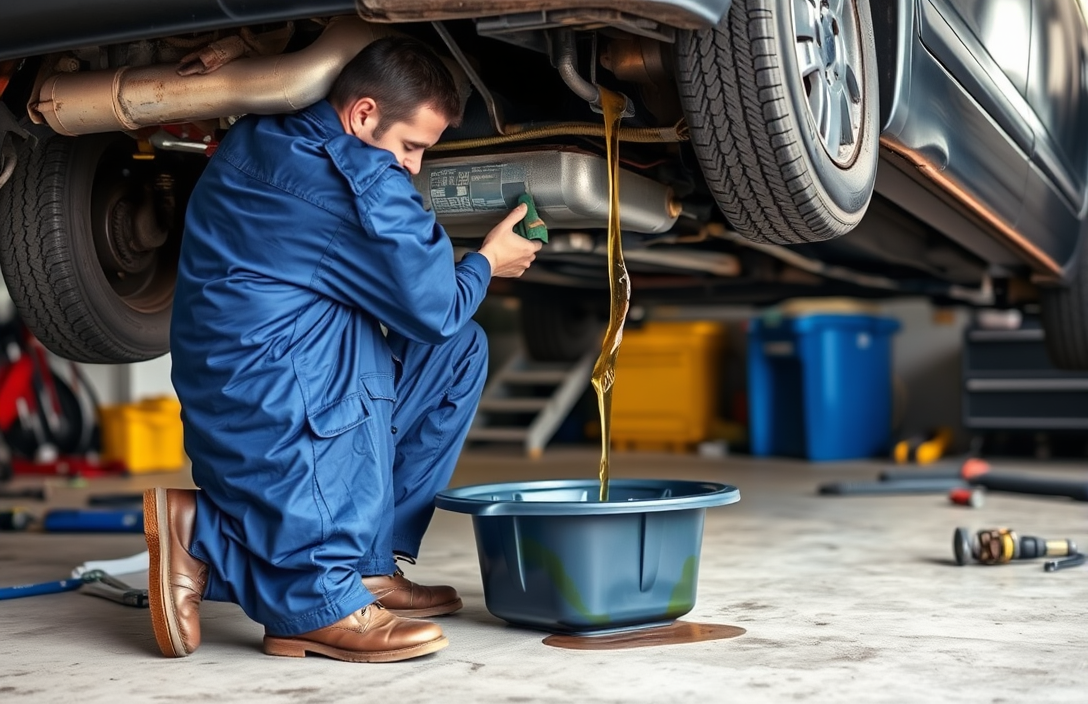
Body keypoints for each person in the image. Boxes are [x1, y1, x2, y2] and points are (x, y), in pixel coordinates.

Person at [143, 36, 541, 663]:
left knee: (458, 352)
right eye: (411, 146)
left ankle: (366, 565)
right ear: (362, 115)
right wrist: (489, 260)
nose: (412, 166)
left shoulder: (269, 130)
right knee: (400, 347)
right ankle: (304, 595)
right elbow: (433, 305)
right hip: (272, 389)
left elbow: (437, 323)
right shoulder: (355, 180)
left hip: (233, 379)